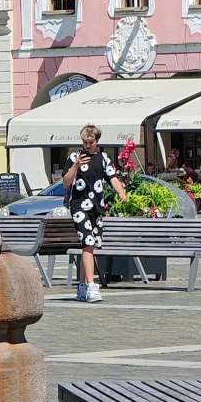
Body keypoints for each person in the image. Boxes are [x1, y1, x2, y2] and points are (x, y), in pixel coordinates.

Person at [62, 124, 126, 303]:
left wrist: (121, 192)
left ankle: (82, 287)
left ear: (97, 141)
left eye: (90, 142)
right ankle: (91, 286)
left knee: (89, 247)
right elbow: (66, 182)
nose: (87, 145)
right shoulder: (74, 157)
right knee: (88, 243)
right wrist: (75, 166)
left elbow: (112, 177)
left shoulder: (103, 158)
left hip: (97, 207)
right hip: (79, 206)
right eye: (85, 142)